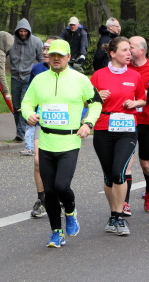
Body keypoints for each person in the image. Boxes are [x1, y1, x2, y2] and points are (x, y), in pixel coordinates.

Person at [22, 39, 102, 248]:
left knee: (62, 186)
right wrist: (29, 114)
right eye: (52, 55)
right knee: (49, 191)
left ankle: (71, 212)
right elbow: (27, 102)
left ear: (68, 57)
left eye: (60, 56)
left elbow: (96, 103)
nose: (56, 59)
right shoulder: (39, 79)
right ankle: (56, 232)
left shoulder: (80, 79)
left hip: (69, 141)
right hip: (46, 140)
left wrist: (88, 123)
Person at [91, 37, 146, 235]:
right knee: (108, 176)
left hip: (127, 129)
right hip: (103, 128)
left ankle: (119, 216)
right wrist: (97, 97)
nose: (129, 53)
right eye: (124, 50)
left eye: (130, 50)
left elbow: (143, 99)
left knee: (118, 173)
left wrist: (135, 103)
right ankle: (113, 214)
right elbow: (86, 101)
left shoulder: (135, 76)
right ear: (113, 53)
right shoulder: (98, 75)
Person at [127, 36, 149, 214]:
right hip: (127, 120)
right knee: (126, 162)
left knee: (146, 163)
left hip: (148, 120)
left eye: (130, 47)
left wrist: (144, 94)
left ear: (141, 50)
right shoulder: (124, 67)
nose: (128, 50)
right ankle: (124, 203)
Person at [26, 37, 57, 219]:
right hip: (42, 123)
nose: (45, 52)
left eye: (49, 49)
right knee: (38, 161)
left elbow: (84, 100)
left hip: (63, 127)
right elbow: (29, 97)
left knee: (58, 164)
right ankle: (42, 199)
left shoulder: (71, 74)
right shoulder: (37, 70)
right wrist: (29, 113)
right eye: (44, 49)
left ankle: (59, 195)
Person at [9, 18, 43, 142]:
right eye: (21, 31)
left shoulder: (36, 42)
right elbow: (1, 55)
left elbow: (41, 59)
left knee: (24, 104)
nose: (23, 33)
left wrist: (39, 74)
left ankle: (21, 132)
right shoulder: (11, 41)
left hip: (29, 76)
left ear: (28, 31)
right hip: (15, 76)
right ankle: (20, 130)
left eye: (25, 31)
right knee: (16, 106)